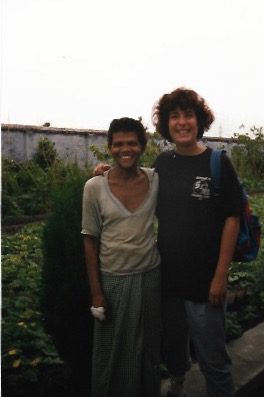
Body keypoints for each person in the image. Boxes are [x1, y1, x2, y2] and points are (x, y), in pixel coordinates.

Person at [153, 87, 242, 397]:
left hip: (205, 282)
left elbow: (232, 218)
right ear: (166, 124)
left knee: (213, 360)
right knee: (173, 350)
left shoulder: (217, 163)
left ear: (198, 120)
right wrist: (108, 174)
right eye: (174, 116)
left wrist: (221, 275)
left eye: (188, 115)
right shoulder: (163, 164)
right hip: (167, 281)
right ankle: (178, 383)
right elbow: (139, 188)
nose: (181, 122)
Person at [81, 117, 161, 397]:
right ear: (110, 147)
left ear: (142, 146)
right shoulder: (94, 187)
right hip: (112, 282)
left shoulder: (154, 179)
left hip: (150, 278)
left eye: (132, 143)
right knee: (111, 353)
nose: (125, 149)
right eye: (118, 144)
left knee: (148, 350)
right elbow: (89, 241)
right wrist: (96, 293)